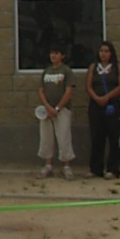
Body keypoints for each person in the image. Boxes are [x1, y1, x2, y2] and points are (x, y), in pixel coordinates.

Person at [86, 40, 120, 179]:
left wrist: (107, 97)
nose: (103, 54)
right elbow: (89, 85)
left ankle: (113, 169)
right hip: (96, 104)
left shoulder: (117, 67)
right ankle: (96, 168)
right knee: (97, 136)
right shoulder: (93, 67)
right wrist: (97, 98)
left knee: (114, 137)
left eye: (106, 51)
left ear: (111, 53)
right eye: (101, 51)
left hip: (112, 104)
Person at [37, 43, 76, 180]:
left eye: (57, 53)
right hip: (47, 111)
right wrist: (48, 107)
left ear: (63, 56)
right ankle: (48, 165)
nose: (53, 56)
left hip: (62, 110)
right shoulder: (46, 71)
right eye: (52, 53)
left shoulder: (66, 71)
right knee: (46, 137)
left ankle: (66, 166)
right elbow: (41, 90)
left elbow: (69, 91)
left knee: (64, 136)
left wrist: (57, 108)